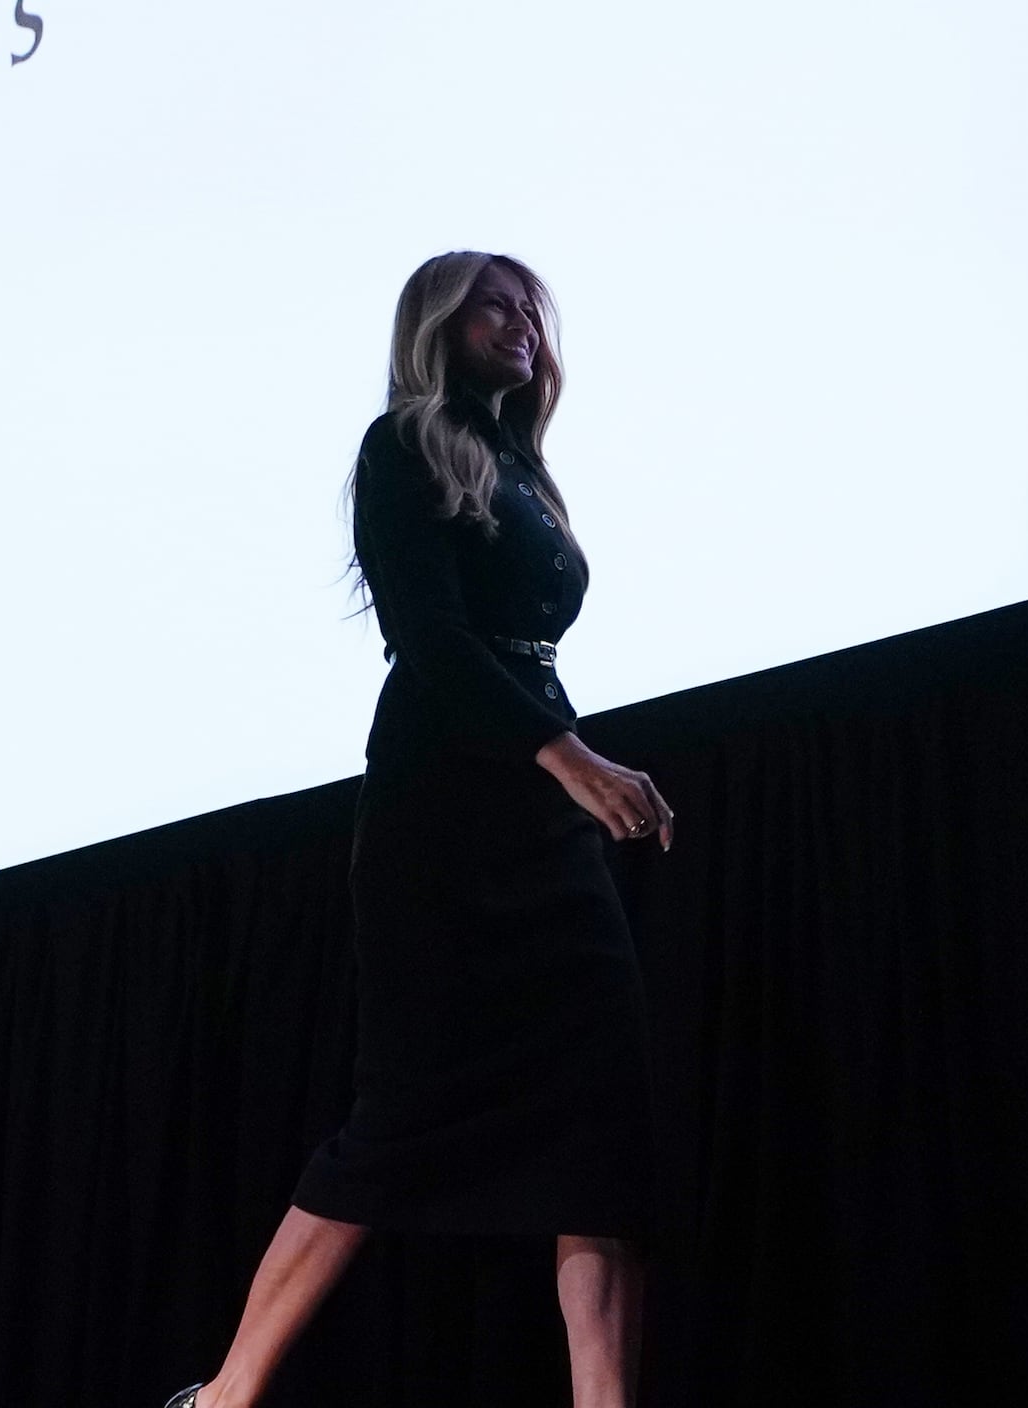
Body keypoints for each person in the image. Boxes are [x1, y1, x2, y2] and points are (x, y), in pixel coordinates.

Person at [168, 252, 677, 1408]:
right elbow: (430, 640)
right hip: (440, 820)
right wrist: (571, 757)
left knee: (604, 1146)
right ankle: (228, 1395)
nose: (522, 326)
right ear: (439, 324)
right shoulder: (403, 446)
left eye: (532, 310)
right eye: (495, 305)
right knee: (402, 1120)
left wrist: (569, 764)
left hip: (543, 821)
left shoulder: (525, 472)